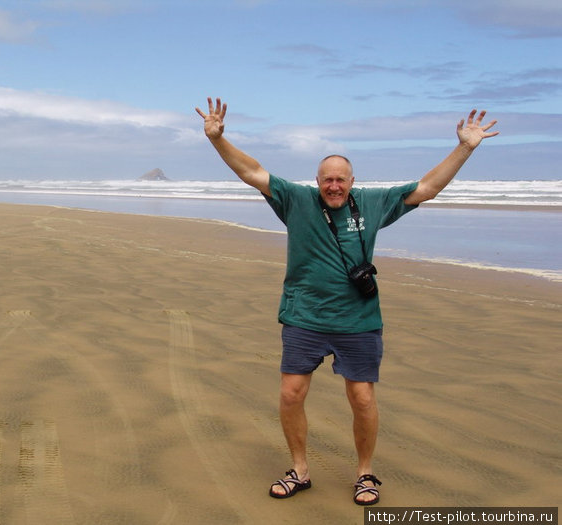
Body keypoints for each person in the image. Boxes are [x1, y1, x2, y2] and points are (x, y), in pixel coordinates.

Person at [195, 97, 498, 505]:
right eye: (327, 180)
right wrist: (218, 140)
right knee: (290, 394)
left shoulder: (373, 204)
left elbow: (428, 187)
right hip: (304, 316)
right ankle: (299, 470)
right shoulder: (295, 200)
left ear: (352, 182)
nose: (333, 186)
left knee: (362, 398)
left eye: (341, 179)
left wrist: (465, 147)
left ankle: (365, 473)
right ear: (317, 182)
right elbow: (251, 171)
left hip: (358, 319)